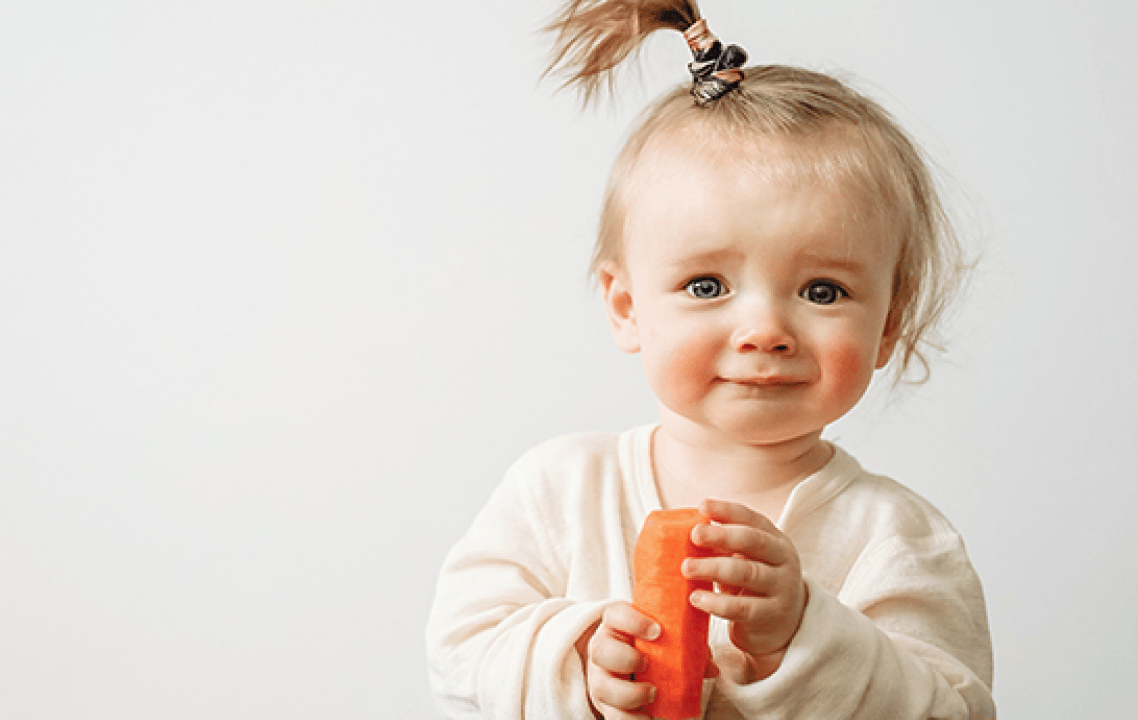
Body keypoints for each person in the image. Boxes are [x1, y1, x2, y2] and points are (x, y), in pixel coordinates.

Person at [425, 1, 994, 718]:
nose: (764, 330)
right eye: (706, 285)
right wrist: (583, 660)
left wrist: (803, 635)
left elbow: (956, 710)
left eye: (823, 290)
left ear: (889, 323)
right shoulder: (558, 491)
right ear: (627, 305)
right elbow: (460, 654)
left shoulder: (898, 537)